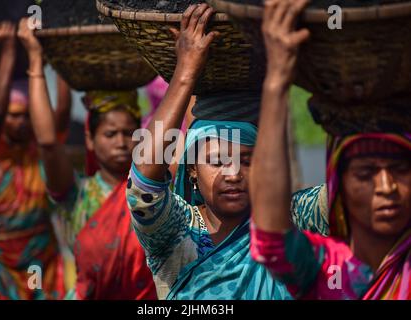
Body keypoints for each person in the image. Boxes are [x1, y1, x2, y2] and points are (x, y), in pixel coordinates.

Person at [126, 3, 326, 300]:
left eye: (247, 160)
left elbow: (348, 193)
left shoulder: (292, 219)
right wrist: (185, 72)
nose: (232, 173)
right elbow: (142, 188)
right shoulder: (177, 233)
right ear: (192, 168)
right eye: (216, 160)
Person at [250, 0, 411, 300]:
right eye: (366, 173)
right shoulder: (328, 269)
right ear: (338, 184)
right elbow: (271, 240)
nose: (386, 187)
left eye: (401, 170)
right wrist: (276, 82)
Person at [17, 19, 157, 300]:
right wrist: (35, 60)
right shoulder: (76, 194)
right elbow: (47, 142)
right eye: (110, 133)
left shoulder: (154, 190)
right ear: (90, 140)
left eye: (129, 133)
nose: (120, 142)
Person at [0, 21, 71, 300]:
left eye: (27, 115)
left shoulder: (39, 144)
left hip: (38, 255)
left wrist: (59, 62)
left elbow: (60, 115)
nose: (21, 122)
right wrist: (9, 51)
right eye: (14, 115)